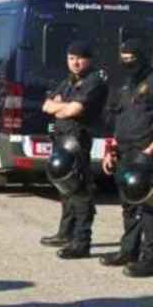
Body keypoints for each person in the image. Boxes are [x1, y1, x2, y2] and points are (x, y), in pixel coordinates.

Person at [99, 38, 153, 278]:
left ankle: (150, 260)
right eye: (123, 59)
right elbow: (117, 121)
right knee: (129, 206)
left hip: (146, 155)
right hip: (124, 154)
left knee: (150, 207)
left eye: (131, 59)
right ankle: (128, 251)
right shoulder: (126, 84)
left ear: (142, 58)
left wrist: (150, 151)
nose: (127, 63)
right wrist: (110, 151)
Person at [40, 40, 108, 259]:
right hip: (62, 138)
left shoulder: (94, 81)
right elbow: (47, 106)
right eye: (71, 58)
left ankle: (81, 241)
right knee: (65, 189)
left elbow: (74, 110)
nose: (75, 63)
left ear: (89, 60)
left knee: (80, 191)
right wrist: (63, 107)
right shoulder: (69, 80)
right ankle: (65, 233)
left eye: (79, 58)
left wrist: (63, 108)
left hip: (77, 140)